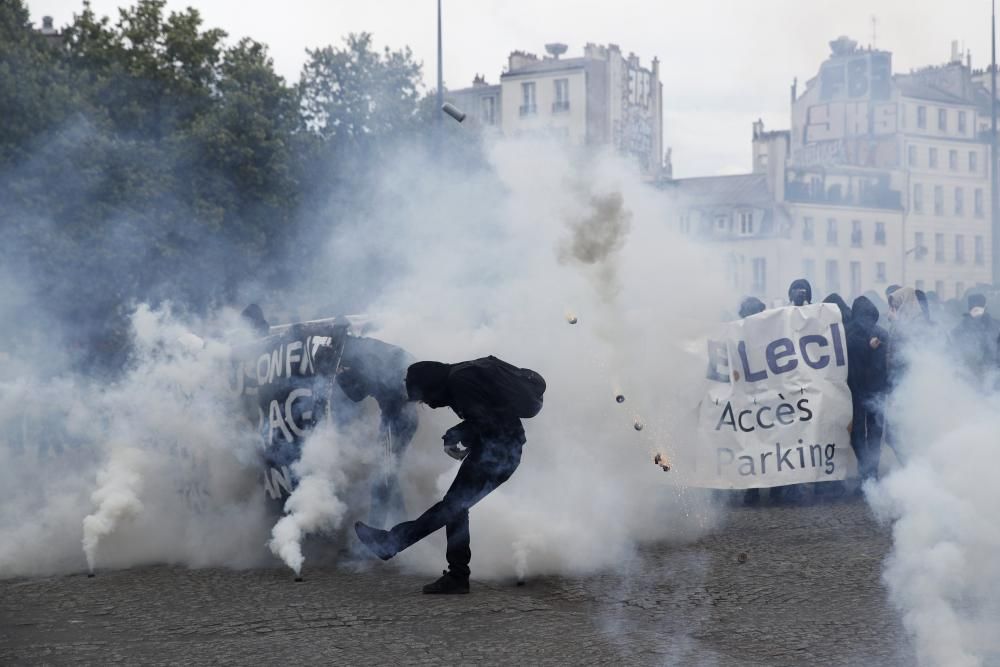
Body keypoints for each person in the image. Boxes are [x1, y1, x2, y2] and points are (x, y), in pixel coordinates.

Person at [354, 356, 545, 594]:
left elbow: (486, 421)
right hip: (494, 449)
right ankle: (455, 575)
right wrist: (460, 435)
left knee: (453, 506)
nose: (430, 404)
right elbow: (488, 418)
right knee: (455, 507)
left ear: (432, 386)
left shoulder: (460, 380)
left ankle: (392, 544)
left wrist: (455, 433)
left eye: (425, 398)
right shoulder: (459, 378)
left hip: (502, 453)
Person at [324, 337, 419, 528]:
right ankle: (403, 529)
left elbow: (358, 394)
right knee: (387, 474)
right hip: (397, 417)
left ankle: (377, 538)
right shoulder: (365, 348)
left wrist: (339, 374)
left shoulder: (359, 355)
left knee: (382, 476)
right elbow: (361, 392)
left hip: (397, 418)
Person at [845, 296, 888, 486]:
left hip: (856, 391)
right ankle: (871, 471)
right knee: (874, 433)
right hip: (875, 391)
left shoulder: (847, 334)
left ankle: (866, 470)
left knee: (859, 434)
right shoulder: (881, 333)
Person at [950, 294, 998, 387]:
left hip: (991, 374)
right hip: (970, 375)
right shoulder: (959, 329)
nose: (976, 311)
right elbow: (955, 353)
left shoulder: (995, 326)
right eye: (974, 308)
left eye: (978, 307)